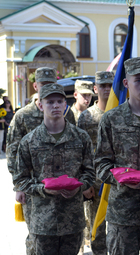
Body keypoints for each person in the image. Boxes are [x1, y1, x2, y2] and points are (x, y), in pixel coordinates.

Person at [95, 57, 140, 255]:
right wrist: (122, 179)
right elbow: (101, 164)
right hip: (123, 214)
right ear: (126, 83)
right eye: (138, 80)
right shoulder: (111, 119)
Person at [12, 83, 95, 255]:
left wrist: (79, 187)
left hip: (72, 220)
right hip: (43, 222)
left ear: (65, 104)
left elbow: (90, 172)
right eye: (50, 102)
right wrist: (43, 190)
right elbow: (21, 180)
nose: (55, 105)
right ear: (41, 105)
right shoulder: (29, 141)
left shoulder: (81, 138)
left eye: (59, 101)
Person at [6, 67, 76, 255]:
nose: (47, 87)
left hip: (63, 183)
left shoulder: (66, 112)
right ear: (35, 86)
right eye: (43, 84)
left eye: (51, 84)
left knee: (65, 230)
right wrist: (18, 186)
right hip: (34, 185)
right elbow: (13, 150)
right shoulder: (23, 115)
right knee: (37, 234)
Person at [77, 71, 114, 255]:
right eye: (103, 86)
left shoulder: (120, 112)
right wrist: (86, 183)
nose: (107, 89)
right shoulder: (87, 117)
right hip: (95, 183)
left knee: (118, 231)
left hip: (117, 181)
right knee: (97, 230)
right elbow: (80, 153)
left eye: (110, 85)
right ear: (95, 88)